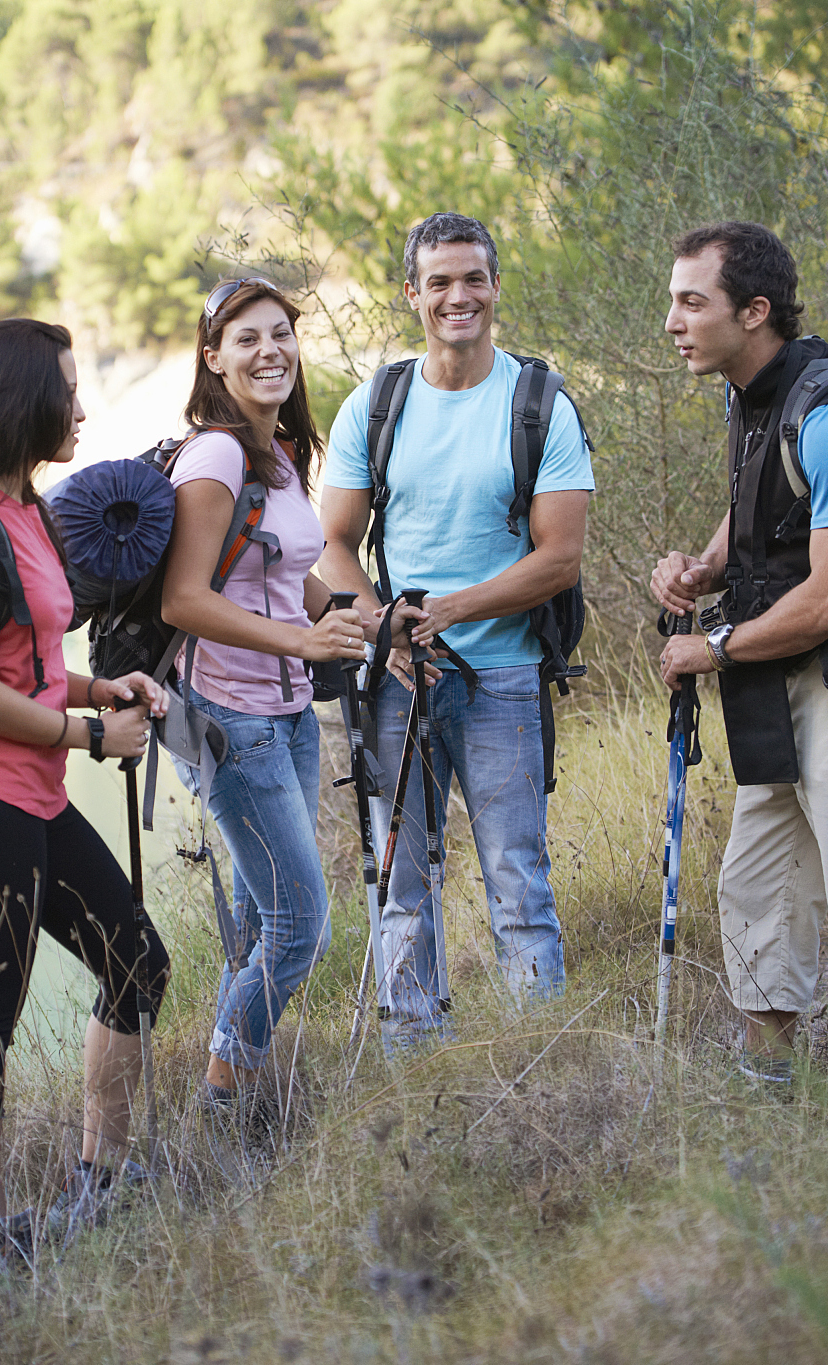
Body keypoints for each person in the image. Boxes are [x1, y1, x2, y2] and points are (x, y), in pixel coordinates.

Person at [650, 220, 828, 1094]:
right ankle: (768, 1071)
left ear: (756, 310)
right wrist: (702, 567)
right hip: (777, 681)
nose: (673, 320)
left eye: (692, 301)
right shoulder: (754, 394)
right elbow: (761, 501)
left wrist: (713, 647)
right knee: (760, 876)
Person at [0, 318, 172, 1274]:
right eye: (67, 388)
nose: (81, 407)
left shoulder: (22, 509)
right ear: (21, 399)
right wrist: (93, 734)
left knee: (137, 960)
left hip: (33, 791)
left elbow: (27, 668)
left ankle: (97, 1177)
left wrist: (103, 689)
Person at [319, 212, 595, 1052]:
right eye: (439, 281)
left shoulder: (539, 402)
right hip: (398, 683)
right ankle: (416, 1062)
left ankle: (539, 1063)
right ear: (412, 295)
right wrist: (385, 632)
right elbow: (331, 543)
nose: (458, 296)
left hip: (505, 678)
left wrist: (448, 610)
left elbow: (561, 557)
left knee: (518, 881)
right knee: (403, 884)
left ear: (496, 286)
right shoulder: (377, 404)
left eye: (473, 278)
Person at [158, 278, 368, 1115]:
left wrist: (368, 623)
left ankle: (240, 1096)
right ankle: (222, 1091)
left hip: (287, 717)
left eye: (281, 333)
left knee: (256, 923)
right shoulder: (213, 456)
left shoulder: (275, 452)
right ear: (213, 357)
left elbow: (288, 577)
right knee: (300, 925)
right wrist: (302, 644)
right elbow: (185, 599)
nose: (270, 350)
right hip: (228, 718)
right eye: (246, 338)